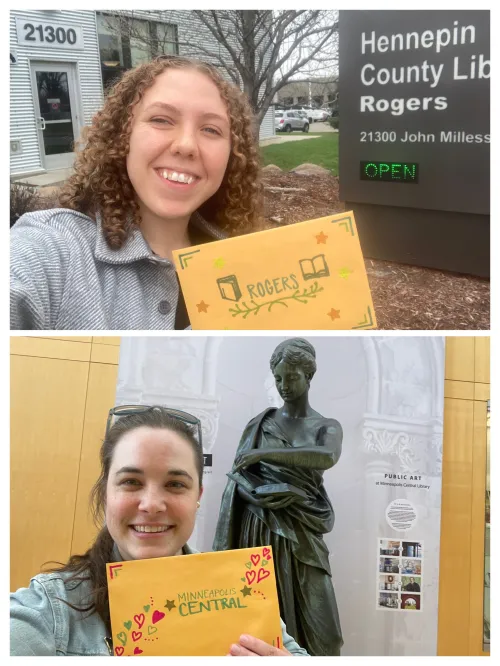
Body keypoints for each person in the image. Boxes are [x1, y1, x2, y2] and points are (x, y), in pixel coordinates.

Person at [10, 407, 308, 656]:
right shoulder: (51, 610)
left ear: (197, 496)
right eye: (131, 482)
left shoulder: (243, 592)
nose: (151, 505)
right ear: (104, 493)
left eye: (175, 484)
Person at [11, 56, 261, 330]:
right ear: (122, 135)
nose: (187, 145)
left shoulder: (251, 267)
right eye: (162, 120)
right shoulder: (52, 252)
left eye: (211, 129)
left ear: (232, 156)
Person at [213, 338, 343, 656]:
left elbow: (326, 456)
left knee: (325, 634)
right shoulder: (261, 424)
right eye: (279, 378)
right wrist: (258, 495)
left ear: (309, 376)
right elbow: (237, 479)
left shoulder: (326, 427)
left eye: (292, 377)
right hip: (258, 528)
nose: (284, 386)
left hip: (304, 532)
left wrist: (265, 453)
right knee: (257, 622)